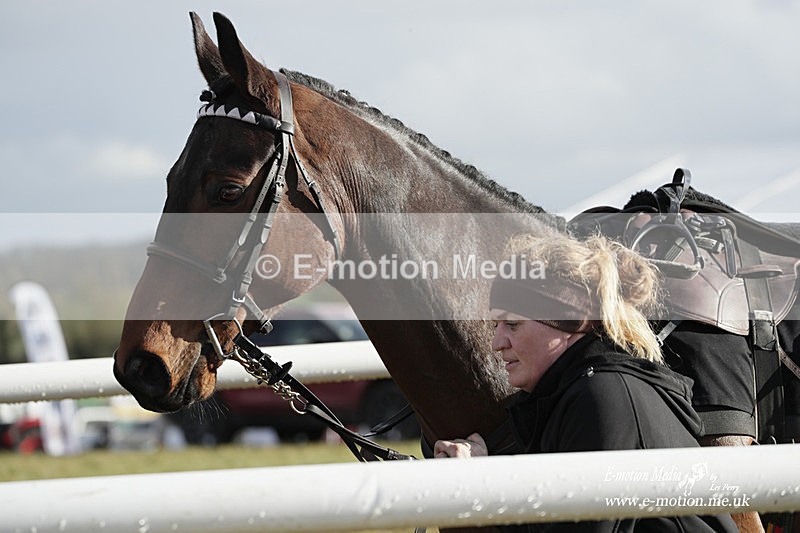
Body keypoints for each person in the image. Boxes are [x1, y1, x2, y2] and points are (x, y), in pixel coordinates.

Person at [434, 233, 738, 532]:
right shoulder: (581, 391)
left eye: (513, 324)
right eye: (496, 325)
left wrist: (479, 486)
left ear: (570, 322)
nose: (497, 342)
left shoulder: (602, 397)